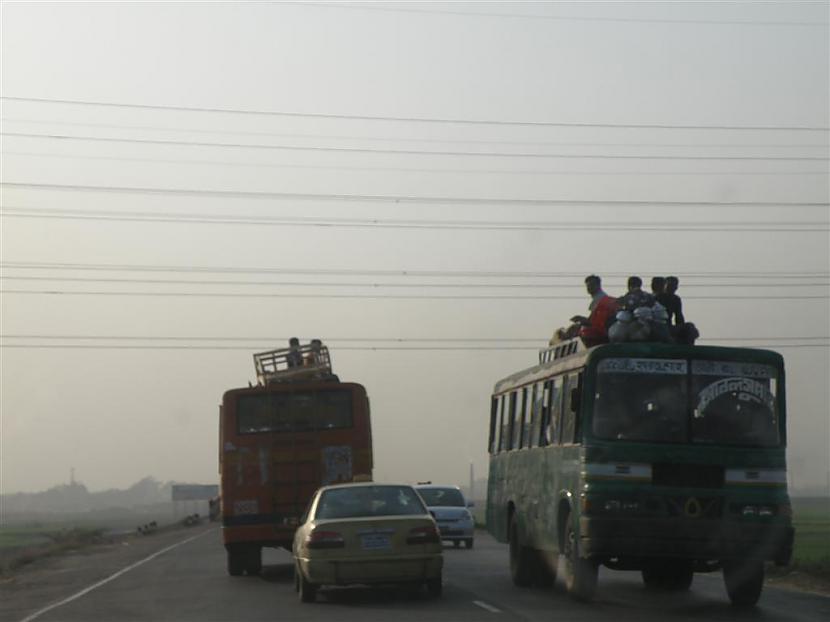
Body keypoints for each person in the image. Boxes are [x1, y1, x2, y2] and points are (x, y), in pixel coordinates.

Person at [570, 275, 618, 347]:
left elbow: (595, 322)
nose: (589, 288)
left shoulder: (600, 300)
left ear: (598, 285)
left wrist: (581, 319)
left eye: (591, 285)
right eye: (588, 286)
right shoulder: (600, 299)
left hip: (600, 334)